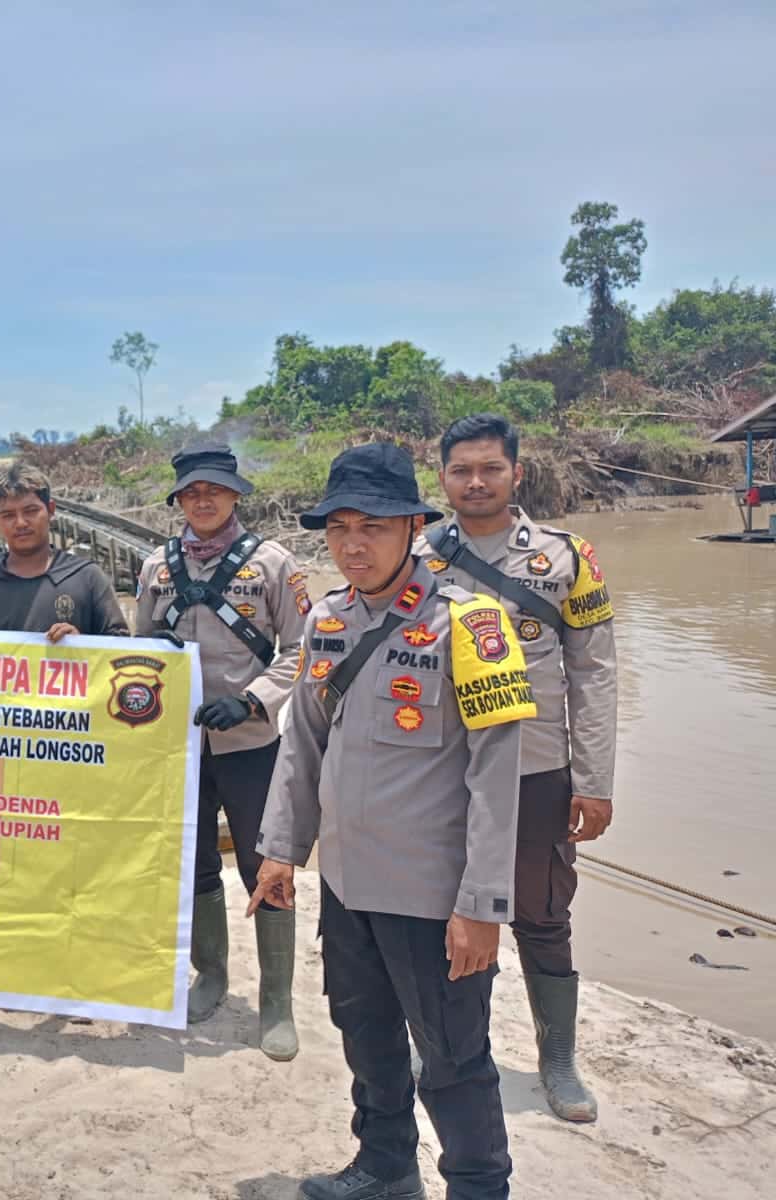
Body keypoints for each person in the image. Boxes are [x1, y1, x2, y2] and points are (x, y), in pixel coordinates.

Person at [252, 442, 531, 1200]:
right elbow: (303, 743)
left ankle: (478, 1184)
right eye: (338, 527)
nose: (352, 543)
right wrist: (280, 849)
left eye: (371, 525)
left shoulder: (472, 625)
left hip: (432, 897)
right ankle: (384, 1166)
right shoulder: (328, 620)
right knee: (365, 1035)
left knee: (453, 1056)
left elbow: (496, 778)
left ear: (412, 525)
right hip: (346, 885)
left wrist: (481, 905)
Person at [420, 413, 616, 1124]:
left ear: (516, 474)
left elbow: (594, 673)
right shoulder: (416, 556)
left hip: (536, 768)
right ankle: (450, 1048)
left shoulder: (569, 559)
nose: (475, 482)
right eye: (462, 470)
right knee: (442, 902)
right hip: (440, 771)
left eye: (490, 469)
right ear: (440, 478)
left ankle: (557, 1058)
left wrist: (594, 781)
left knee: (542, 913)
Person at [134, 441, 310, 1045]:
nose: (201, 500)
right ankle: (210, 974)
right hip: (180, 749)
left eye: (213, 489)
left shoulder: (275, 565)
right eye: (190, 492)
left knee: (267, 866)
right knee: (197, 861)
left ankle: (277, 1001)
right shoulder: (157, 566)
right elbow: (140, 653)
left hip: (254, 744)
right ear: (179, 500)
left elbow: (304, 650)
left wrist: (254, 698)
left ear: (235, 495)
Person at [0, 463, 128, 640]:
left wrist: (81, 645)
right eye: (8, 515)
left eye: (31, 511)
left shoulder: (87, 578)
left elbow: (120, 650)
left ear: (50, 510)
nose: (21, 523)